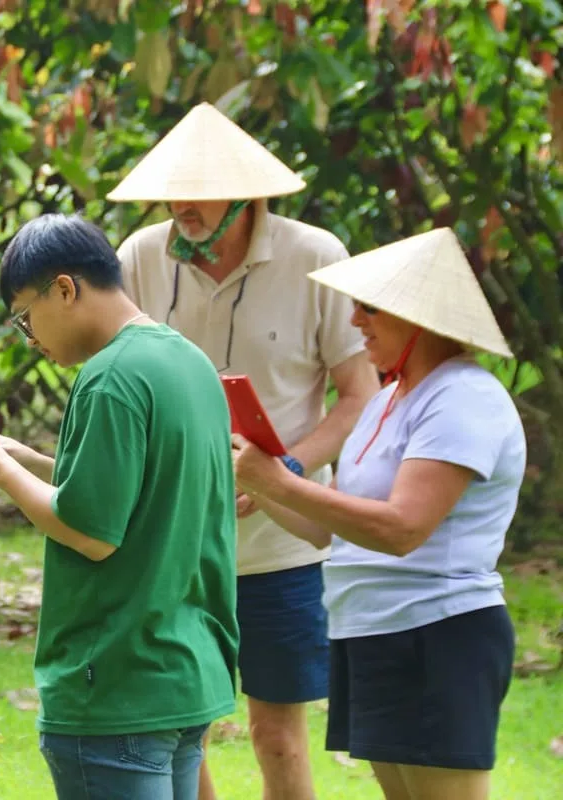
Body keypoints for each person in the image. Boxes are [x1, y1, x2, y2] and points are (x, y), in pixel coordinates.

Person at [108, 101, 381, 800]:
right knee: (178, 727)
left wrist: (285, 475)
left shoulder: (316, 256)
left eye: (198, 193)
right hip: (173, 538)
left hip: (280, 547)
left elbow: (359, 392)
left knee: (278, 739)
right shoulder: (139, 256)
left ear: (247, 194)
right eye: (172, 192)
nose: (181, 208)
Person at [0, 214, 239, 800]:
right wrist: (28, 459)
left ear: (63, 289)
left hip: (116, 683)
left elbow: (93, 532)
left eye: (25, 318)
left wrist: (3, 474)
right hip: (184, 675)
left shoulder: (109, 377)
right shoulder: (188, 363)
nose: (30, 339)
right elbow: (139, 491)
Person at [232, 227, 524, 800]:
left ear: (418, 318)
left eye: (369, 309)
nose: (355, 322)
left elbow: (401, 528)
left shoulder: (462, 396)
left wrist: (278, 481)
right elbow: (327, 529)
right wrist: (258, 482)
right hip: (369, 630)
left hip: (437, 632)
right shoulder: (388, 401)